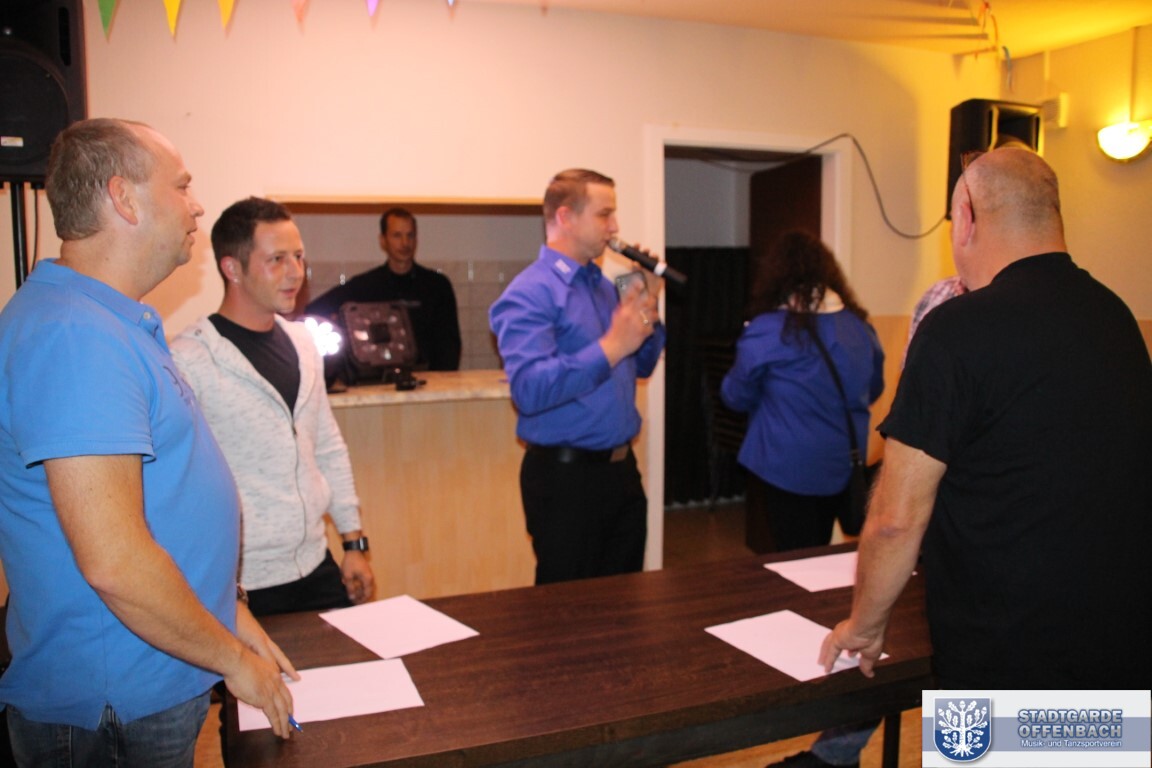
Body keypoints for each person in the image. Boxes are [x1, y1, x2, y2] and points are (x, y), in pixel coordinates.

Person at [0, 118, 297, 767]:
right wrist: (232, 660)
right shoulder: (75, 337)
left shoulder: (110, 323)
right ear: (124, 198)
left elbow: (163, 503)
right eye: (182, 186)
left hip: (148, 678)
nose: (196, 205)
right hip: (112, 705)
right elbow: (114, 559)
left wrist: (226, 610)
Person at [819, 147, 1152, 691]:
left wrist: (864, 624)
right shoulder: (1115, 316)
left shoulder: (955, 330)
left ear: (966, 216)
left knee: (981, 743)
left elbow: (896, 518)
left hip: (1001, 658)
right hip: (1120, 650)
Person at [767, 274, 967, 768]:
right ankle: (837, 752)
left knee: (939, 646)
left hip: (962, 519)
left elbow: (896, 513)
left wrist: (864, 622)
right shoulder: (1099, 313)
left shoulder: (946, 315)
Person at [171, 197, 375, 617]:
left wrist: (353, 542)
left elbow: (327, 448)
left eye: (298, 256)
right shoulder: (191, 359)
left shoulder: (303, 342)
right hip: (243, 584)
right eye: (277, 259)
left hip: (315, 563)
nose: (295, 272)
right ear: (233, 268)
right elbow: (181, 487)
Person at [489, 169, 666, 585]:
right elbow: (529, 390)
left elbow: (641, 365)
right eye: (605, 214)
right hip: (566, 480)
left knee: (624, 603)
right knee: (567, 612)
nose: (615, 226)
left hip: (622, 473)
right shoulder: (530, 292)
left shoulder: (605, 287)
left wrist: (647, 305)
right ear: (565, 217)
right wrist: (611, 346)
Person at [721, 230, 884, 554]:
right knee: (820, 555)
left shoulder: (768, 330)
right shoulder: (859, 327)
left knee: (792, 558)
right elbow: (874, 389)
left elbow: (734, 396)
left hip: (786, 467)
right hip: (840, 463)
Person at [305, 207, 462, 371]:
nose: (405, 243)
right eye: (397, 235)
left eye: (410, 235)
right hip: (380, 381)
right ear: (383, 240)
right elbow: (315, 310)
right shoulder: (365, 285)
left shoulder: (437, 286)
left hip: (430, 379)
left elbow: (450, 344)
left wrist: (441, 380)